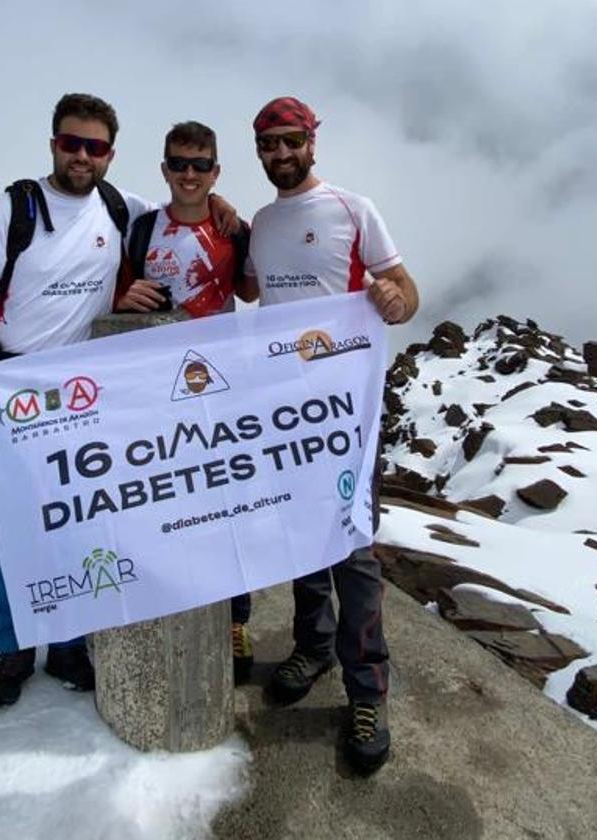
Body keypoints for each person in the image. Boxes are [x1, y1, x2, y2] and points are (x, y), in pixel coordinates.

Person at [0, 93, 239, 708]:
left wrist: (219, 204)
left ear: (110, 154)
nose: (82, 156)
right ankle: (15, 646)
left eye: (95, 147)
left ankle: (70, 641)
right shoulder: (11, 211)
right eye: (72, 143)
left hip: (90, 390)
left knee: (82, 515)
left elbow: (180, 208)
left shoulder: (117, 206)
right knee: (19, 524)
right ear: (53, 143)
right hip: (18, 385)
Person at [245, 95, 420, 774]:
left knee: (351, 547)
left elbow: (404, 289)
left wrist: (395, 300)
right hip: (283, 412)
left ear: (312, 142)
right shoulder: (260, 223)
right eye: (269, 146)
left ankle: (367, 689)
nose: (281, 155)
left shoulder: (353, 209)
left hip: (347, 413)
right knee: (297, 536)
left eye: (292, 141)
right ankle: (312, 646)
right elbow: (254, 293)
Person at [113, 120, 258, 684]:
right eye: (180, 164)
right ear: (164, 169)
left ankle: (234, 618)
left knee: (228, 503)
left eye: (202, 166)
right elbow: (121, 292)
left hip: (220, 387)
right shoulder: (143, 228)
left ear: (216, 172)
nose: (190, 175)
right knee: (162, 499)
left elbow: (248, 290)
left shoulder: (234, 231)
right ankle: (165, 595)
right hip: (154, 386)